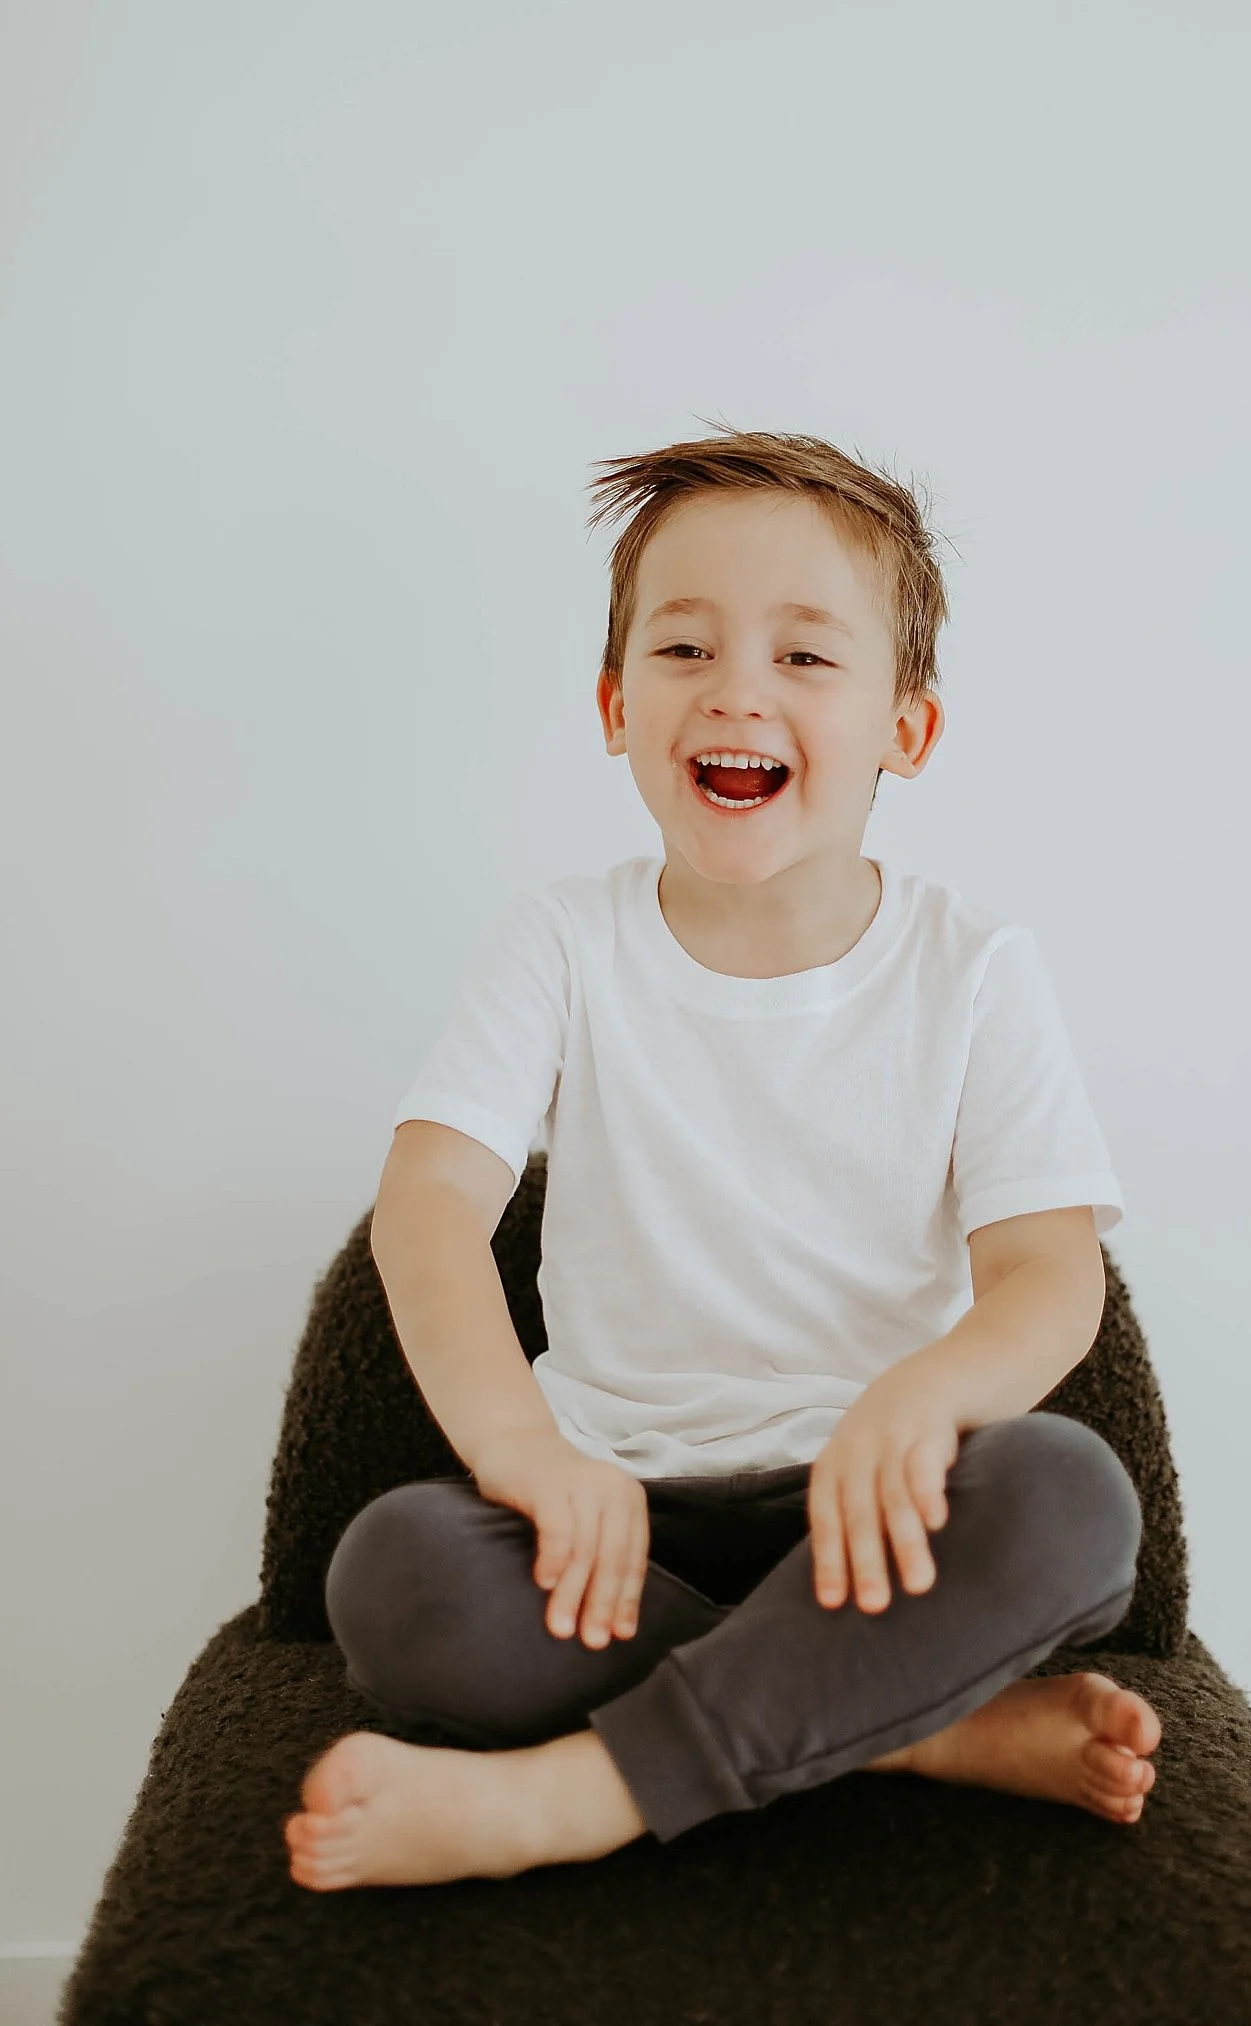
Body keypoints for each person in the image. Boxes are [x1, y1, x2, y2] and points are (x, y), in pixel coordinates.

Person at [283, 428, 1163, 1892]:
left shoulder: (976, 967)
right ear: (620, 707)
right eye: (686, 646)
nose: (737, 688)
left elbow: (1048, 1273)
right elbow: (430, 1207)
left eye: (808, 658)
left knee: (1072, 1498)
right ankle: (910, 1727)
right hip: (619, 1520)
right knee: (398, 1575)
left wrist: (922, 1398)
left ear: (908, 727)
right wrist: (528, 1454)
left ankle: (573, 1795)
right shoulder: (560, 941)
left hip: (876, 1513)